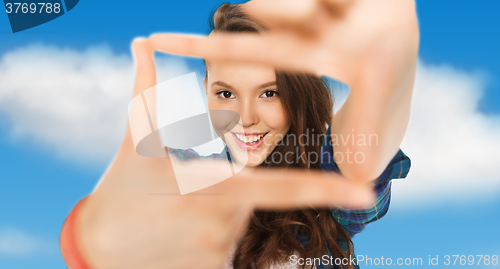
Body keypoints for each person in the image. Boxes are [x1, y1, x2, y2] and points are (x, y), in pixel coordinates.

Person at [59, 0, 418, 268]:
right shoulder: (183, 174)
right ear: (206, 88)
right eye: (225, 93)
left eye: (269, 92)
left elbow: (362, 151)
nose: (244, 118)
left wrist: (387, 66)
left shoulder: (324, 187)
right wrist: (100, 233)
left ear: (299, 93)